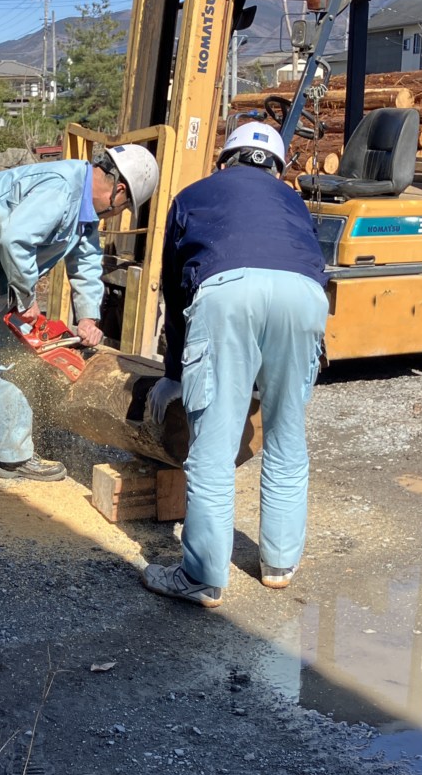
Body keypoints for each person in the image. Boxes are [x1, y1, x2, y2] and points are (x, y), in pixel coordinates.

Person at [141, 122, 329, 603]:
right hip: (305, 298)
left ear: (225, 160)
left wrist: (174, 374)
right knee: (287, 435)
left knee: (214, 445)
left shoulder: (193, 195)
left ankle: (203, 575)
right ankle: (279, 564)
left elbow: (176, 287)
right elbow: (308, 264)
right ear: (278, 169)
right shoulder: (293, 203)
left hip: (227, 292)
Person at [0, 146, 161, 506]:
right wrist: (26, 297)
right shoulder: (60, 189)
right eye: (125, 207)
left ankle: (15, 457)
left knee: (15, 354)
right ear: (120, 190)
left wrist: (88, 317)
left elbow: (87, 261)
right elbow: (15, 240)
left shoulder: (84, 210)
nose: (120, 213)